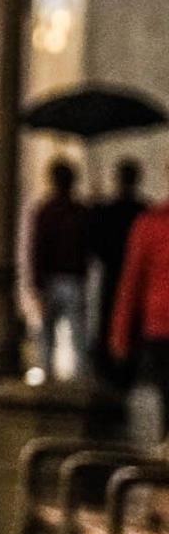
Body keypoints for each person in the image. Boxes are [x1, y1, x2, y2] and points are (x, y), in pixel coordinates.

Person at [110, 165, 169, 427]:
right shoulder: (150, 222)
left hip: (159, 327)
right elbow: (131, 283)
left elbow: (131, 283)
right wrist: (120, 333)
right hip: (159, 329)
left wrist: (120, 334)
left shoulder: (150, 223)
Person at [31, 158, 92, 378]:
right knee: (78, 333)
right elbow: (89, 246)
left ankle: (47, 374)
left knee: (47, 333)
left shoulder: (46, 211)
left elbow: (38, 248)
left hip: (51, 278)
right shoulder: (81, 212)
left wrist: (36, 282)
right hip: (75, 278)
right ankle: (79, 377)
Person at [90, 159, 148, 378]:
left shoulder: (108, 211)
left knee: (110, 319)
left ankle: (110, 369)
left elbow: (96, 246)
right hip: (133, 277)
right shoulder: (142, 211)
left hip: (113, 275)